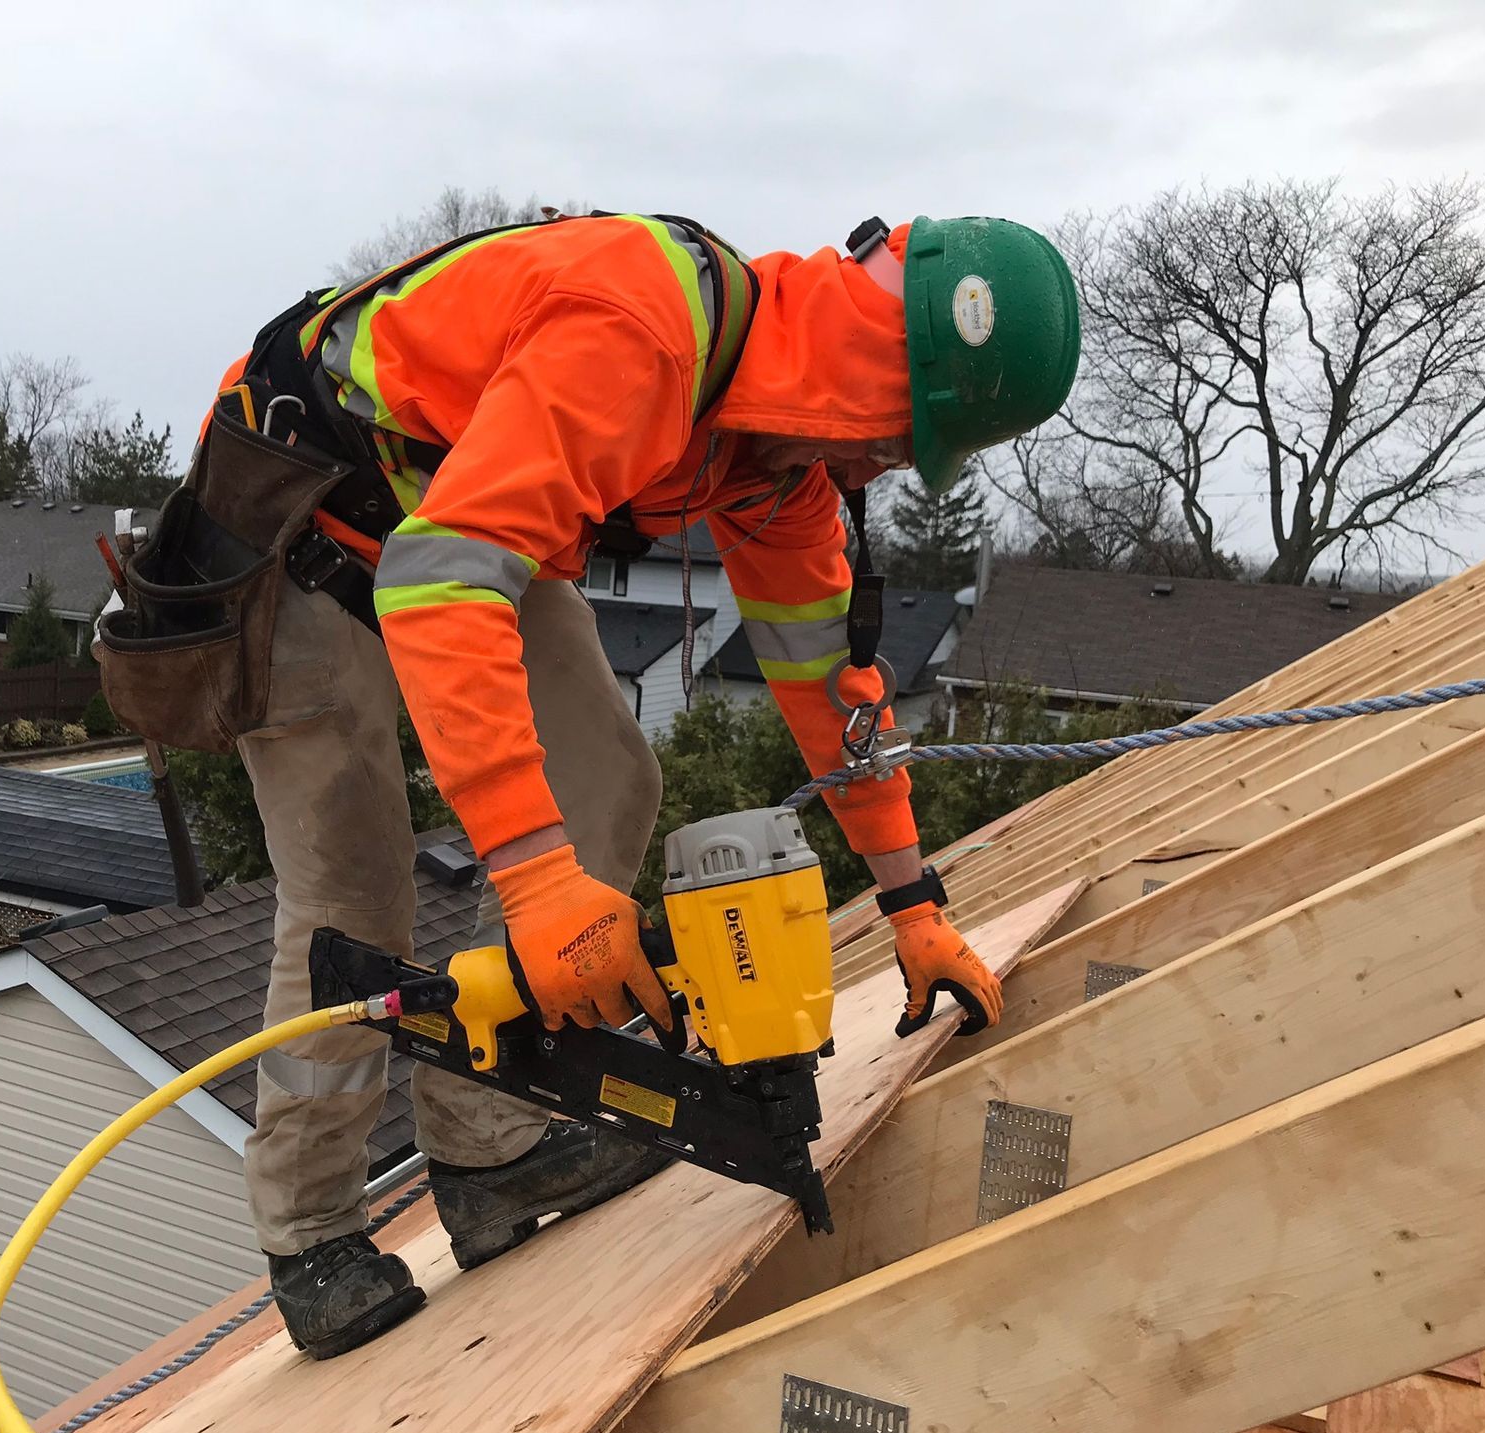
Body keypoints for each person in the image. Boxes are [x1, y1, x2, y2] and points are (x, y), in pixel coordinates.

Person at [205, 210, 1079, 1356]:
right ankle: (310, 1231)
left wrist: (913, 902)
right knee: (352, 891)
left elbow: (832, 694)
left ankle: (489, 1150)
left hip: (457, 520)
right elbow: (438, 582)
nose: (887, 469)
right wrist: (533, 880)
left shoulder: (772, 469)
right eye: (900, 439)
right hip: (302, 526)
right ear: (868, 380)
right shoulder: (643, 332)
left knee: (610, 779)